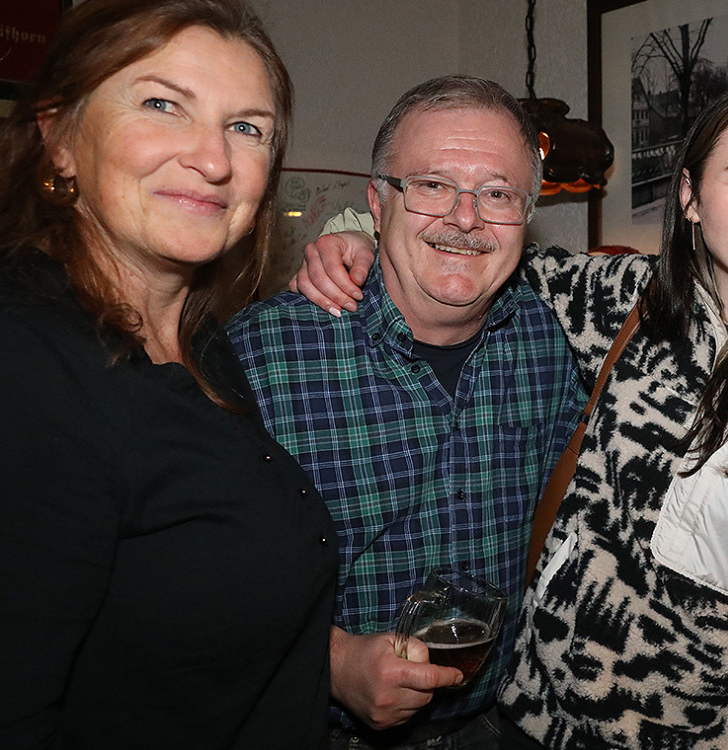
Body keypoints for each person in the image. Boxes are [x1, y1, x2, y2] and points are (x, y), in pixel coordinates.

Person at [294, 82, 728, 748]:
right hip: (519, 723)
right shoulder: (619, 303)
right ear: (690, 197)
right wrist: (356, 236)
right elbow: (467, 252)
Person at [0, 1, 336, 748]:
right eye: (162, 104)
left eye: (248, 127)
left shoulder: (196, 340)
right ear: (60, 135)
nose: (213, 159)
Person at [225, 76, 584, 749]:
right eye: (432, 185)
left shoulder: (550, 338)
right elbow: (197, 581)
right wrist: (329, 664)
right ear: (377, 202)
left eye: (498, 193)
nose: (467, 218)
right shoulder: (260, 358)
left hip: (497, 729)